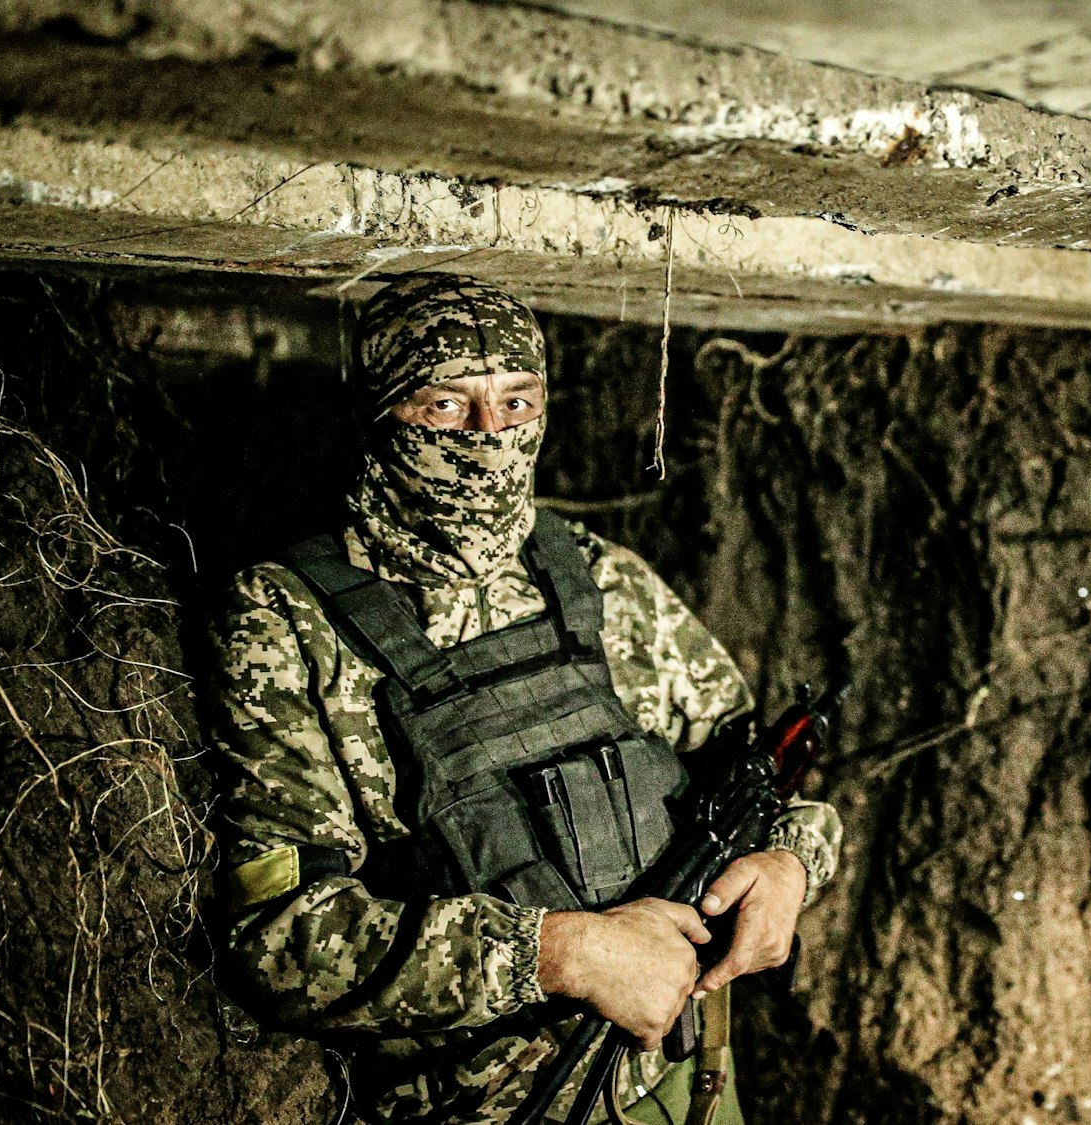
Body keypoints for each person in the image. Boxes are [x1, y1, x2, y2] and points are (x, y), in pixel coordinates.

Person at [207, 274, 841, 1124]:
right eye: (444, 407)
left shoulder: (601, 578)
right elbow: (281, 939)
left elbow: (757, 774)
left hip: (686, 1084)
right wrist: (561, 953)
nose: (489, 436)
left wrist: (793, 861)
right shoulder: (287, 618)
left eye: (516, 401)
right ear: (378, 415)